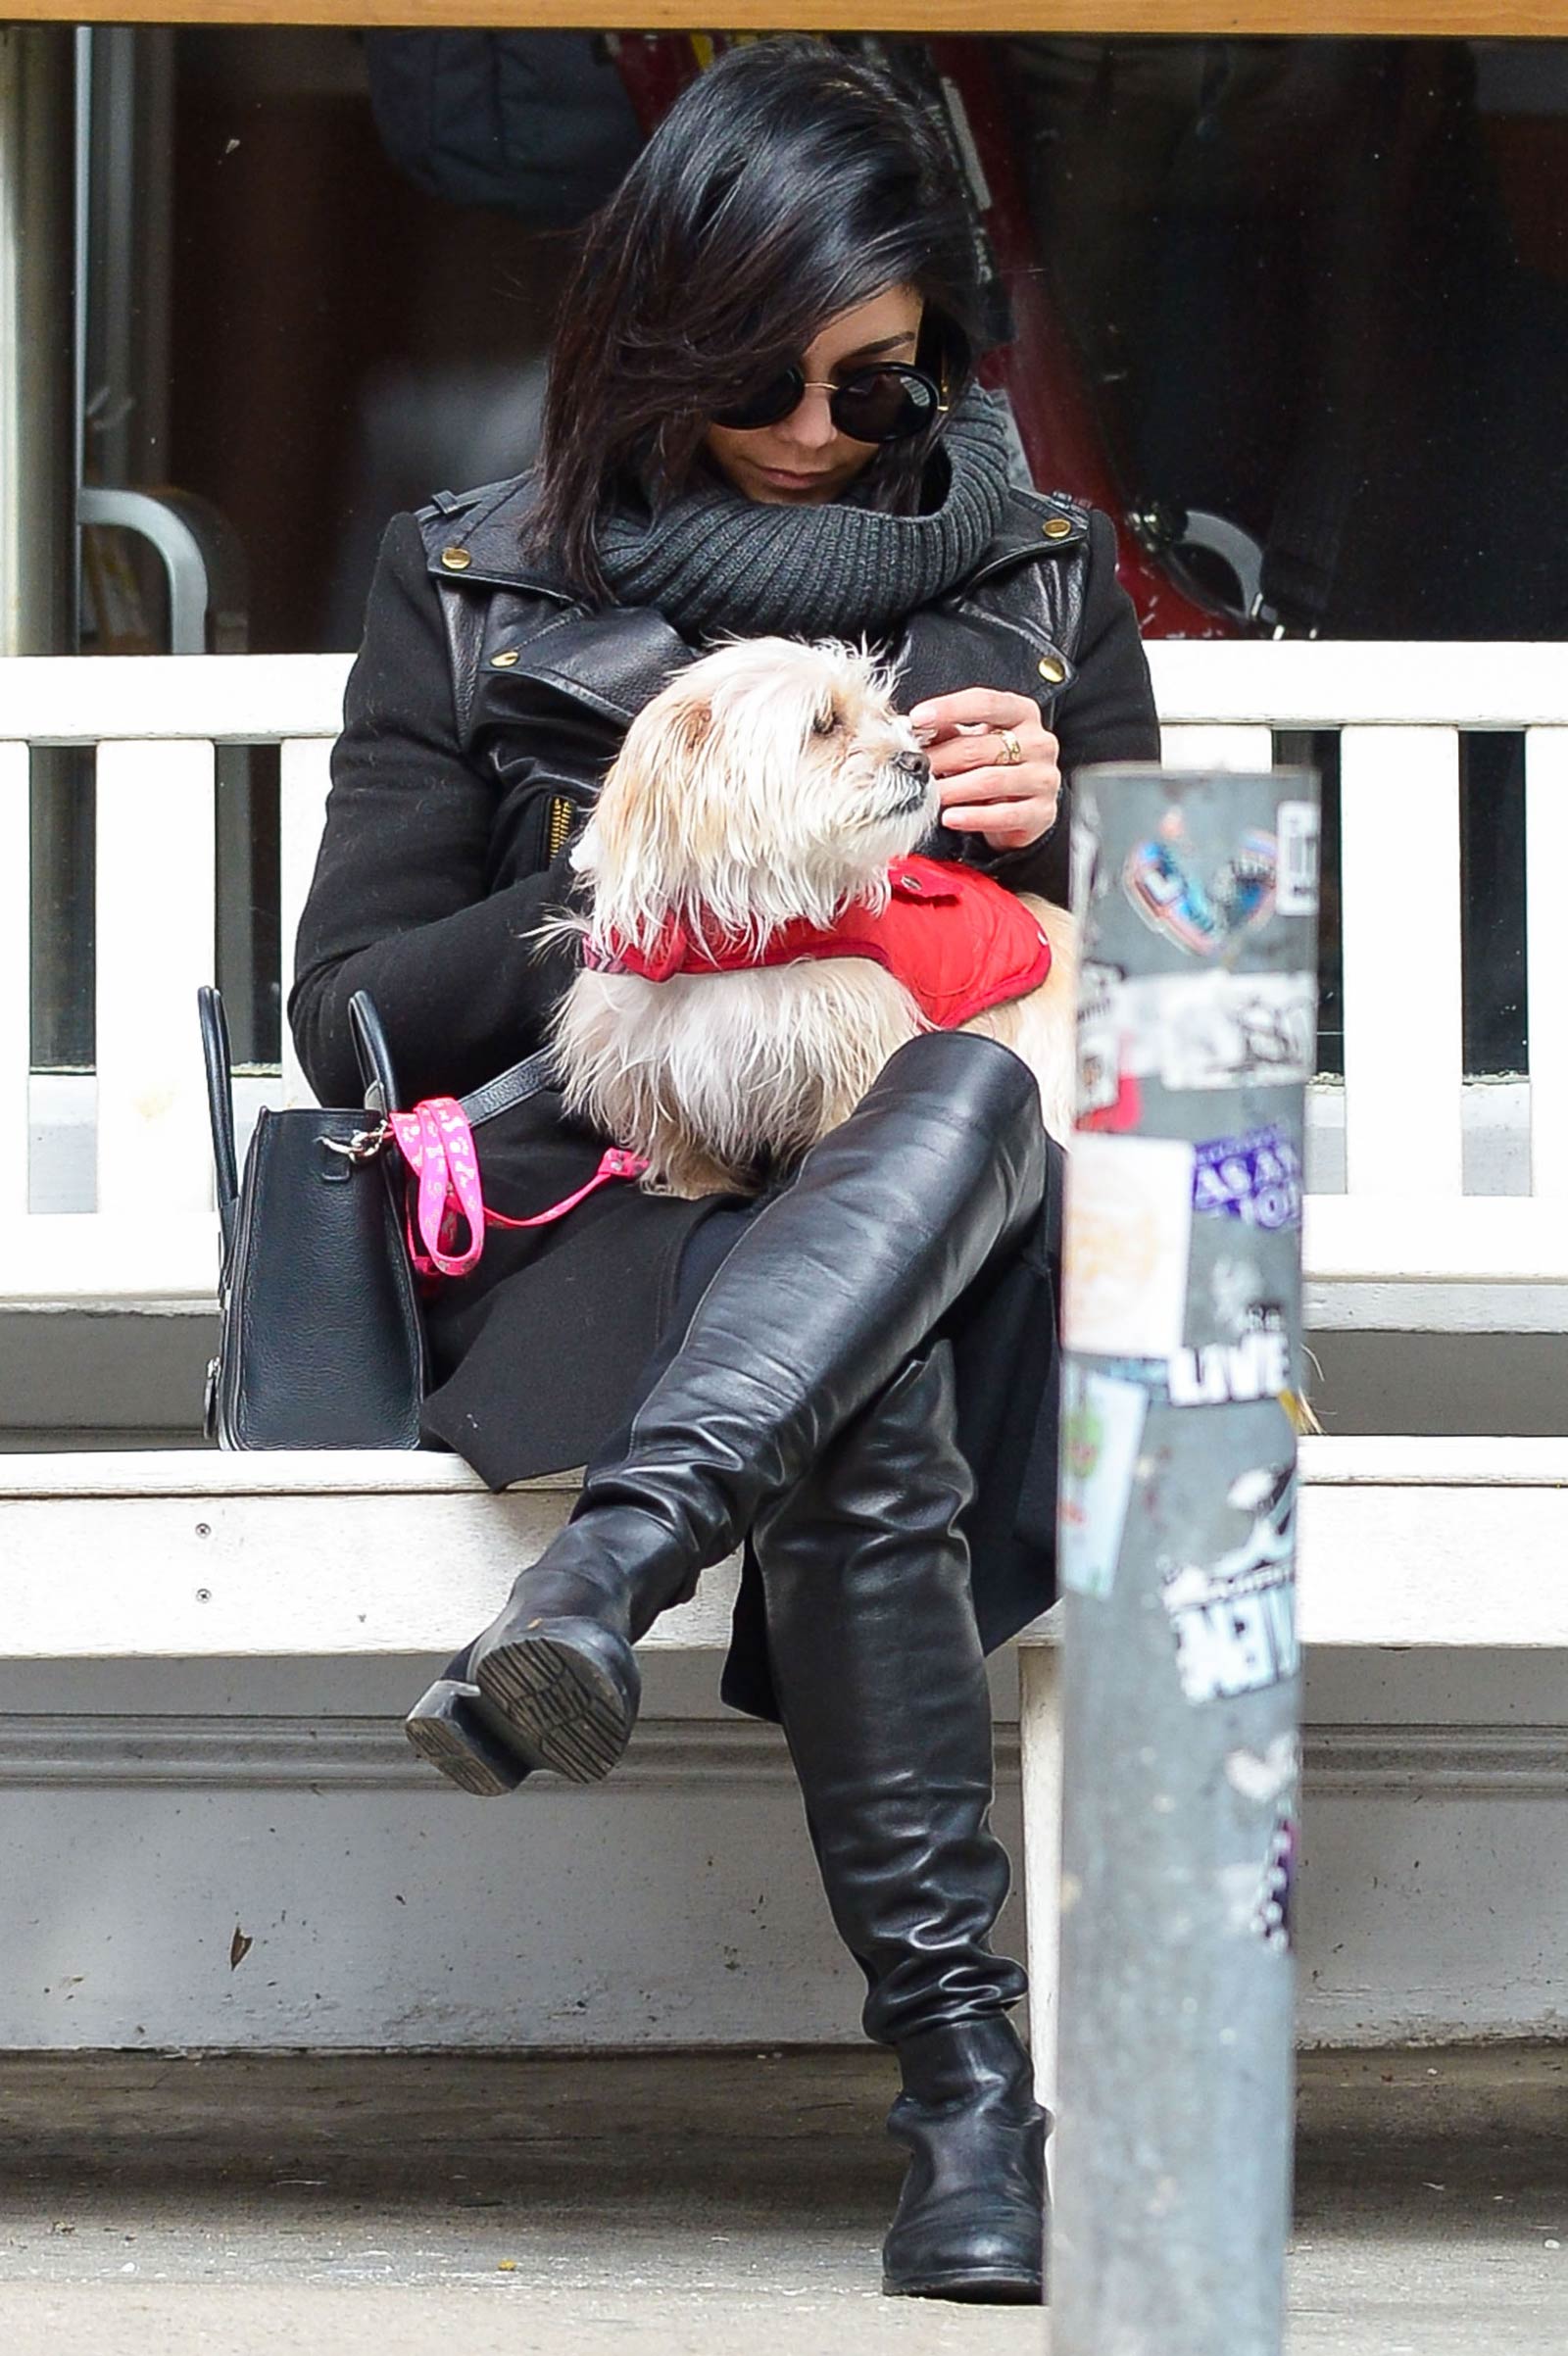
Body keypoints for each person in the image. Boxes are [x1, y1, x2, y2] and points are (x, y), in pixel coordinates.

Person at [291, 37, 1157, 2305]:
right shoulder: (473, 579)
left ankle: (597, 1587)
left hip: (965, 1254)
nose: (810, 427)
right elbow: (350, 1018)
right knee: (851, 1381)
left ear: (944, 356)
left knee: (954, 1110)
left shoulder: (1044, 594)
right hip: (609, 1232)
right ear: (656, 343)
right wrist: (631, 870)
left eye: (874, 388)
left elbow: (1173, 1027)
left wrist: (1055, 832)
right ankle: (969, 2107)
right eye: (755, 377)